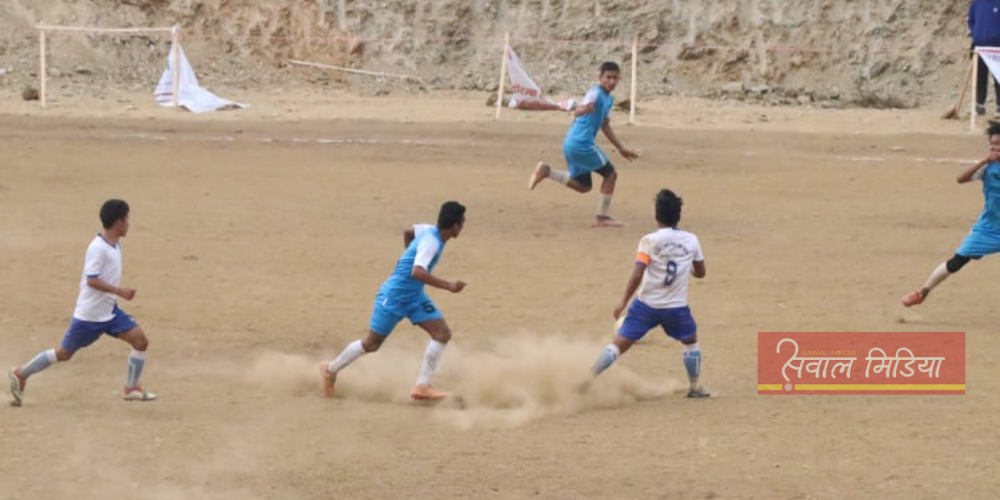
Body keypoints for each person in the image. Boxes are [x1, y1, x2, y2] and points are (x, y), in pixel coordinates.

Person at [8, 199, 156, 406]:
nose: (129, 223)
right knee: (64, 353)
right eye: (127, 219)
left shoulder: (115, 243)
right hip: (90, 317)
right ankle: (20, 374)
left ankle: (131, 388)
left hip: (110, 312)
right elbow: (91, 280)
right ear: (118, 222)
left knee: (140, 341)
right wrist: (119, 291)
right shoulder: (98, 248)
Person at [320, 201, 467, 401]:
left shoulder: (427, 229)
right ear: (456, 226)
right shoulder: (432, 243)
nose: (463, 227)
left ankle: (423, 386)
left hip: (414, 296)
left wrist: (408, 253)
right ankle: (330, 369)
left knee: (442, 334)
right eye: (462, 223)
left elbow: (408, 232)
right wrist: (447, 285)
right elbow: (417, 272)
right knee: (371, 344)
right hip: (394, 298)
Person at [585, 189, 710, 398]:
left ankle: (588, 379)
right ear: (679, 215)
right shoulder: (691, 240)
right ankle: (695, 387)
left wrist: (623, 301)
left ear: (656, 216)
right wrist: (686, 265)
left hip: (645, 306)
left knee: (619, 345)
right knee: (691, 341)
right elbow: (701, 273)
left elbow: (637, 274)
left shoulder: (648, 241)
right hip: (676, 308)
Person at [528, 61, 640, 227]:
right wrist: (584, 109)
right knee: (611, 175)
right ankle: (602, 218)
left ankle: (547, 172)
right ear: (600, 77)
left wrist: (620, 148)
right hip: (582, 143)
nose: (612, 81)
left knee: (583, 186)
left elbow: (605, 125)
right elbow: (579, 111)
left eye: (615, 78)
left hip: (571, 142)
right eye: (608, 77)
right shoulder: (595, 93)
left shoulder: (608, 99)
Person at [902, 120, 1000, 307]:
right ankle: (922, 292)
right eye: (993, 144)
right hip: (989, 228)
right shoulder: (987, 167)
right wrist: (984, 161)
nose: (996, 148)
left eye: (999, 144)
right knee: (957, 262)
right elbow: (960, 179)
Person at [969, 0, 1000, 116]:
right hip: (980, 47)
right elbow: (971, 21)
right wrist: (975, 35)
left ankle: (999, 106)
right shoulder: (976, 3)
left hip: (997, 48)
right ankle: (979, 104)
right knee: (980, 76)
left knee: (998, 76)